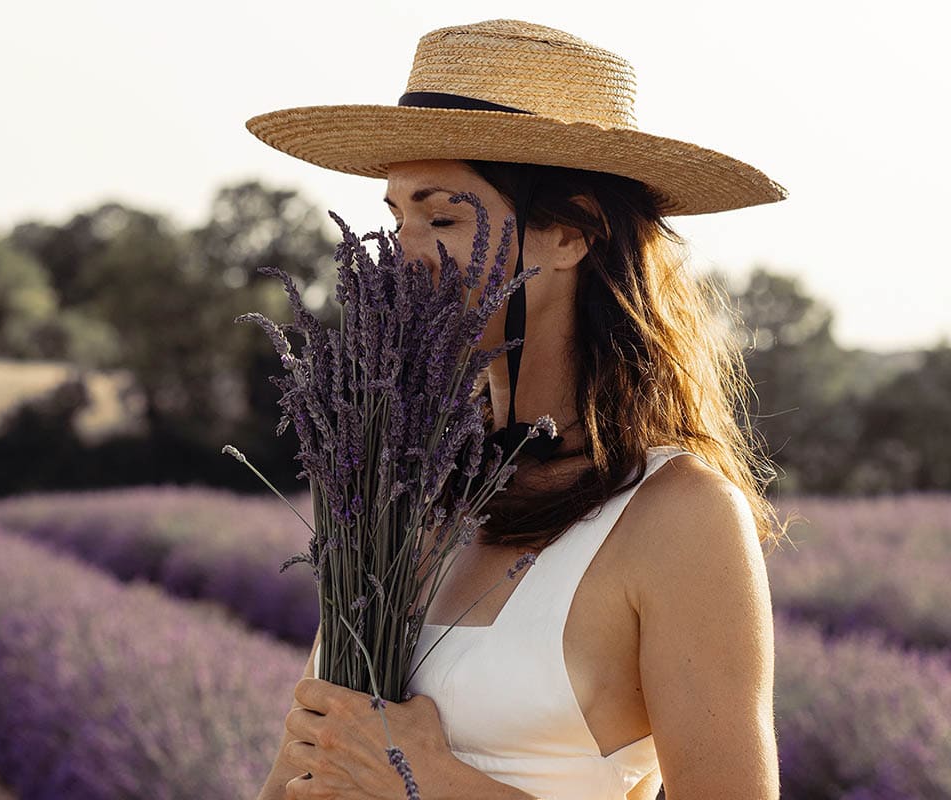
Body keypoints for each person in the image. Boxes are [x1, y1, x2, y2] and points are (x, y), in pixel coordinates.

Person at [247, 19, 792, 800]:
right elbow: (306, 772)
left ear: (570, 233)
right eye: (398, 218)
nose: (401, 255)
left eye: (442, 218)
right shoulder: (402, 497)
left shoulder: (679, 517)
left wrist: (426, 777)